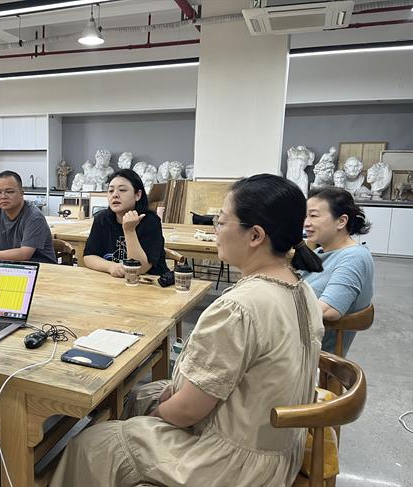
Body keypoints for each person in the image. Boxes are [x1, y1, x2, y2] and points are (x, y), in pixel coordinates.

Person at [51, 174, 325, 487]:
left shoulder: (240, 308)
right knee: (141, 395)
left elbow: (187, 410)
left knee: (92, 444)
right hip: (278, 449)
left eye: (221, 221)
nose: (215, 229)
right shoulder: (302, 290)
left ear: (255, 235)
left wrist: (151, 423)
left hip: (232, 465)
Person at [303, 187, 374, 355]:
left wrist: (275, 308)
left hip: (312, 356)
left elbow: (330, 310)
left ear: (341, 221)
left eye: (313, 216)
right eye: (305, 216)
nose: (306, 223)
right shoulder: (320, 251)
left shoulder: (354, 257)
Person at [83, 168, 169, 277]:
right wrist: (110, 266)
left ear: (138, 195)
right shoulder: (101, 219)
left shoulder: (150, 221)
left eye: (122, 190)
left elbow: (140, 268)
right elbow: (89, 256)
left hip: (148, 282)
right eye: (111, 190)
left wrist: (129, 230)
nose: (115, 195)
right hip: (113, 282)